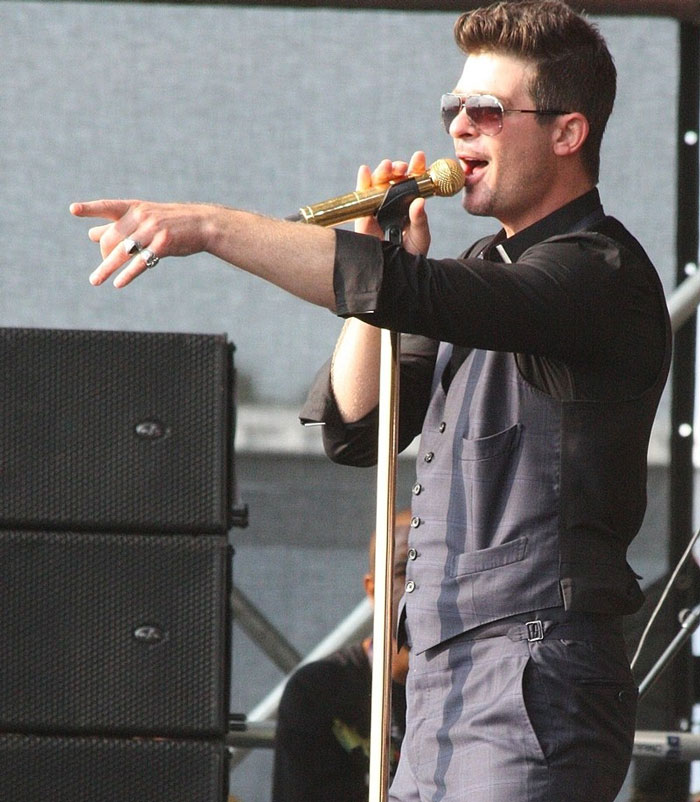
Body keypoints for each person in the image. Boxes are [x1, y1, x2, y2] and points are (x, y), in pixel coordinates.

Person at [70, 2, 672, 799]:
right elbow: (358, 428)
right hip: (439, 681)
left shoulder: (597, 271)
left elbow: (410, 291)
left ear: (568, 132)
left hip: (534, 669)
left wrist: (213, 228)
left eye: (488, 110)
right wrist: (381, 251)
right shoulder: (479, 268)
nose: (461, 127)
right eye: (453, 108)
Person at [271, 510, 411, 802]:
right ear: (373, 590)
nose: (418, 589)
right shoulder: (318, 690)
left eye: (435, 575)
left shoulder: (479, 683)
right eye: (404, 572)